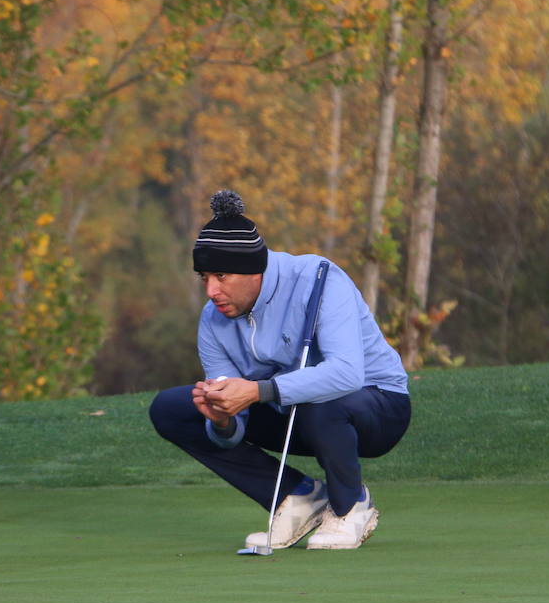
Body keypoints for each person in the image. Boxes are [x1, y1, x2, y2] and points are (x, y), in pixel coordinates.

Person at [149, 189, 413, 553]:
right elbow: (231, 424)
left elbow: (347, 373)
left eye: (221, 276)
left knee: (317, 396)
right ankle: (297, 497)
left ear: (253, 270)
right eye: (204, 277)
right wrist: (223, 419)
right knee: (171, 409)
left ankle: (350, 504)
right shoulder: (213, 321)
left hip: (378, 406)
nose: (210, 290)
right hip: (293, 415)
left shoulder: (318, 279)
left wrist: (259, 392)